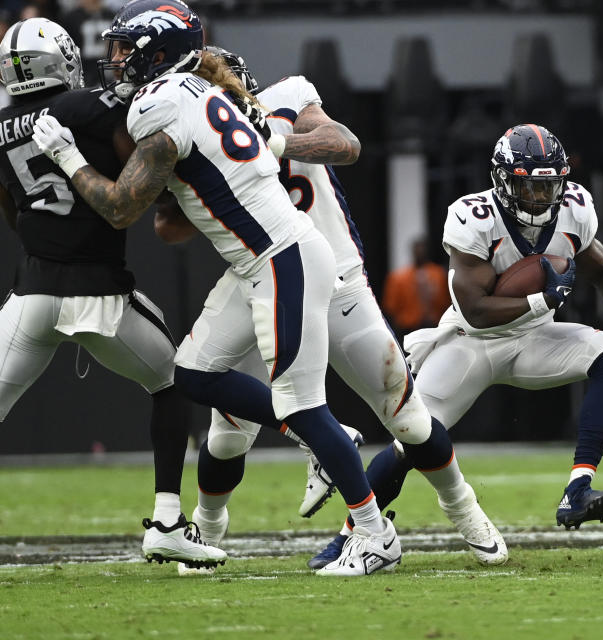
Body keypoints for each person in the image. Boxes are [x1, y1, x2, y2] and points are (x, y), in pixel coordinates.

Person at [30, 0, 396, 577]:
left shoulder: (159, 104)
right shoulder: (199, 93)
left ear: (158, 52)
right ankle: (313, 435)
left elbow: (122, 208)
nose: (117, 58)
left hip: (282, 259)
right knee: (193, 373)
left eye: (127, 48)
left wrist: (66, 155)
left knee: (303, 403)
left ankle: (375, 533)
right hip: (257, 263)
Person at [161, 46, 506, 573]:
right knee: (227, 434)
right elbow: (170, 226)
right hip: (259, 278)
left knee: (407, 416)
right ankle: (206, 533)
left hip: (336, 278)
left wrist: (274, 141)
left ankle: (466, 512)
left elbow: (344, 143)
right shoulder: (188, 130)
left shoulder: (284, 98)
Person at [309, 123, 603, 565]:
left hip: (533, 340)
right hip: (470, 343)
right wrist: (541, 298)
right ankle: (350, 535)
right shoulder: (473, 217)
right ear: (503, 181)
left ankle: (578, 488)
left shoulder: (575, 208)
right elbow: (475, 307)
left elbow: (601, 265)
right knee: (412, 439)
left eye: (551, 185)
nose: (543, 197)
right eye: (531, 187)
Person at [0, 16, 223, 569]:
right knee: (173, 380)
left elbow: (10, 205)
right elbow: (138, 172)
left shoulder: (0, 124)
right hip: (98, 294)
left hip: (30, 292)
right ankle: (169, 522)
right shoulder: (88, 108)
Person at [382, 237, 451, 335]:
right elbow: (390, 308)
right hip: (408, 329)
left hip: (435, 327)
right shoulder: (398, 277)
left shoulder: (439, 275)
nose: (420, 251)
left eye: (422, 248)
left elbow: (446, 303)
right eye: (417, 248)